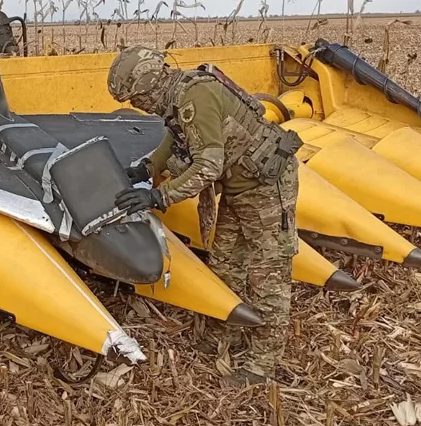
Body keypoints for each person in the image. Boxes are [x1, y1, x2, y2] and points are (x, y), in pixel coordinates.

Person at [106, 46, 303, 385]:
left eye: (138, 99)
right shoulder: (180, 97)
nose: (139, 107)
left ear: (151, 86)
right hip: (241, 186)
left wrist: (158, 196)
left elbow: (208, 166)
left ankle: (261, 364)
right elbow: (177, 136)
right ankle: (228, 334)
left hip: (266, 186)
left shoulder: (196, 96)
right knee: (227, 263)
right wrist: (148, 168)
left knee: (267, 275)